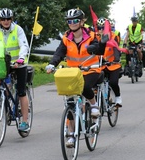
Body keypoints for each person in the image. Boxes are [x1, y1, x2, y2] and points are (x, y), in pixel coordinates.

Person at [45, 8, 107, 148]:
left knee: (84, 86)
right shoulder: (66, 38)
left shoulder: (91, 34)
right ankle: (71, 134)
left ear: (82, 21)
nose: (72, 23)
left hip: (91, 70)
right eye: (69, 21)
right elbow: (59, 53)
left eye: (75, 20)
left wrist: (96, 46)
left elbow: (99, 49)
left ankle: (93, 104)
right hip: (73, 72)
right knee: (70, 103)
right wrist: (51, 64)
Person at [0, 8, 30, 132]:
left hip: (19, 64)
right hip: (5, 64)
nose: (5, 21)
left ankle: (25, 121)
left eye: (8, 19)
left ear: (11, 19)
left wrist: (21, 58)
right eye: (2, 19)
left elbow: (24, 45)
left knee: (21, 91)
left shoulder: (18, 29)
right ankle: (1, 98)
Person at [96, 17, 122, 107]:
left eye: (103, 28)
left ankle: (118, 98)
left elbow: (116, 49)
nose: (101, 30)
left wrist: (116, 59)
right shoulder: (95, 37)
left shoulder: (114, 36)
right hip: (100, 65)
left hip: (113, 64)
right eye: (99, 28)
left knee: (113, 82)